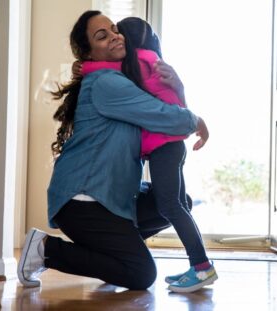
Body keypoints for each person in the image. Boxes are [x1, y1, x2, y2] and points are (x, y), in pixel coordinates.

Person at [16, 10, 209, 291]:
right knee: (141, 274)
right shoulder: (108, 83)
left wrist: (178, 86)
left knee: (178, 203)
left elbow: (162, 105)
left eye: (115, 30)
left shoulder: (121, 78)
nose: (115, 37)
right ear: (90, 54)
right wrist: (197, 120)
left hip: (111, 196)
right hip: (84, 200)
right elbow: (164, 115)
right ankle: (45, 249)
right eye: (101, 36)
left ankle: (113, 254)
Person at [73, 17, 216, 293]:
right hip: (171, 145)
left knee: (169, 206)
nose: (116, 39)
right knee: (178, 205)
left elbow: (107, 70)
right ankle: (199, 265)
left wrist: (83, 66)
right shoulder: (152, 59)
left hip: (164, 147)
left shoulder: (138, 61)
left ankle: (201, 267)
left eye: (118, 33)